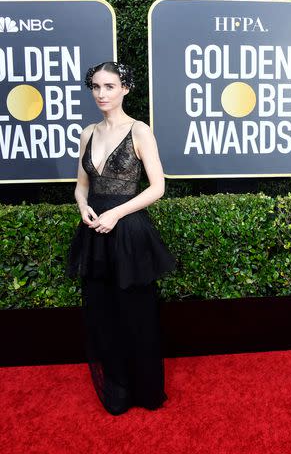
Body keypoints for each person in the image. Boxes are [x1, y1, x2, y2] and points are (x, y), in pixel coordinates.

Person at [67, 61, 175, 415]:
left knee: (135, 313)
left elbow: (157, 188)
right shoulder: (87, 133)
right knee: (101, 312)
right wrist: (83, 206)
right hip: (94, 231)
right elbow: (81, 187)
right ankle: (117, 388)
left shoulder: (139, 130)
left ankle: (144, 389)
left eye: (109, 87)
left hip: (127, 231)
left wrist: (116, 213)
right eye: (96, 87)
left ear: (125, 89)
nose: (101, 94)